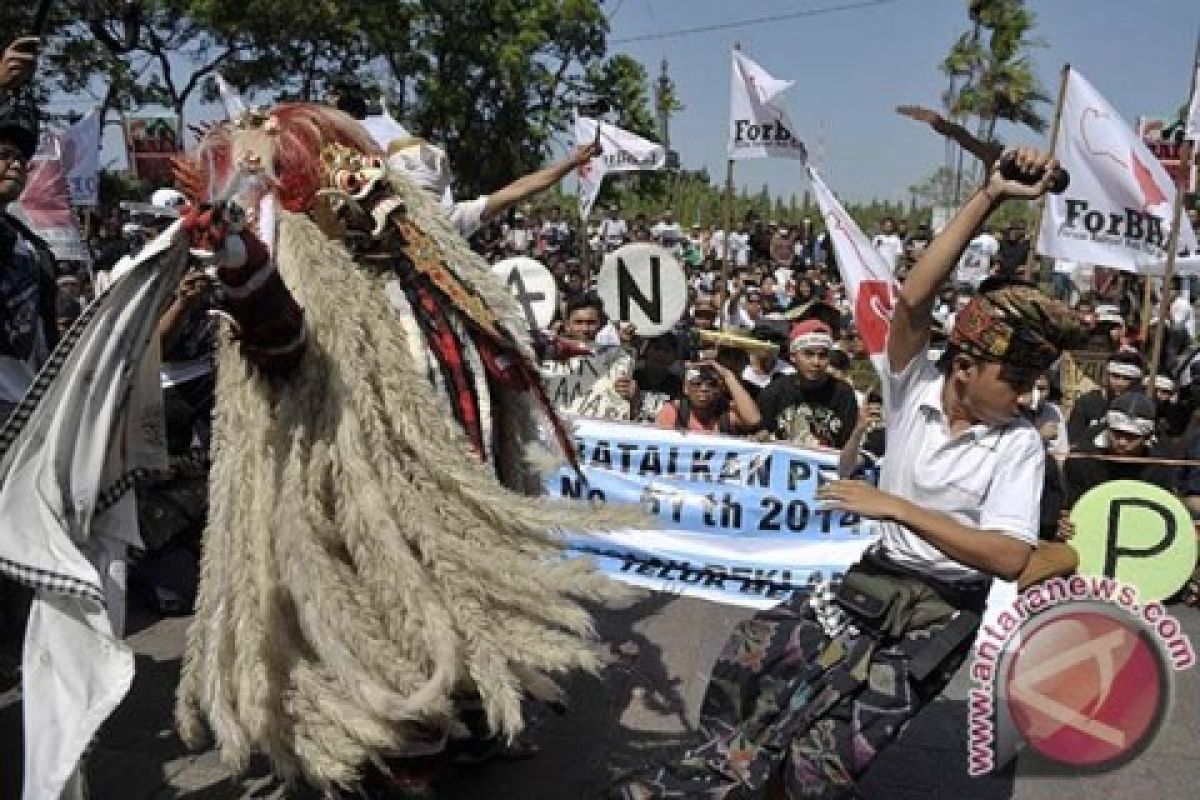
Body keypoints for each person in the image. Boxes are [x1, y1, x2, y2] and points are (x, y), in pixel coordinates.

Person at [166, 102, 640, 798]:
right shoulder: (322, 288)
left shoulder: (433, 276)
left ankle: (475, 714)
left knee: (468, 604)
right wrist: (245, 270)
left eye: (376, 178)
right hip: (371, 503)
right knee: (390, 614)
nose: (369, 192)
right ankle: (402, 742)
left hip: (463, 489)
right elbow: (282, 342)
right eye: (348, 178)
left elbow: (498, 367)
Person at [614, 146, 1080, 800]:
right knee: (751, 666)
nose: (1029, 396)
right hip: (872, 581)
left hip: (938, 616)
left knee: (822, 759)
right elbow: (913, 297)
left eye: (1034, 383)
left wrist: (899, 508)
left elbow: (1007, 556)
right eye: (1019, 380)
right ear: (965, 366)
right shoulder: (912, 385)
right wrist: (991, 194)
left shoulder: (1019, 445)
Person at [755, 319, 859, 448]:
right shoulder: (774, 393)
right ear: (793, 356)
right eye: (808, 354)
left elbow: (848, 444)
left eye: (823, 355)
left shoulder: (843, 394)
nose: (816, 362)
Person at [654, 361, 760, 435]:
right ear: (686, 388)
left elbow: (754, 420)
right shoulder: (673, 411)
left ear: (720, 390)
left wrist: (728, 375)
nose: (704, 389)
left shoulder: (727, 413)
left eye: (712, 384)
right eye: (697, 383)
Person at [1066, 349, 1145, 445]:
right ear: (1107, 376)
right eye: (1115, 376)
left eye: (1127, 378)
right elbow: (1073, 441)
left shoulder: (1141, 407)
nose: (1120, 383)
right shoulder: (1086, 403)